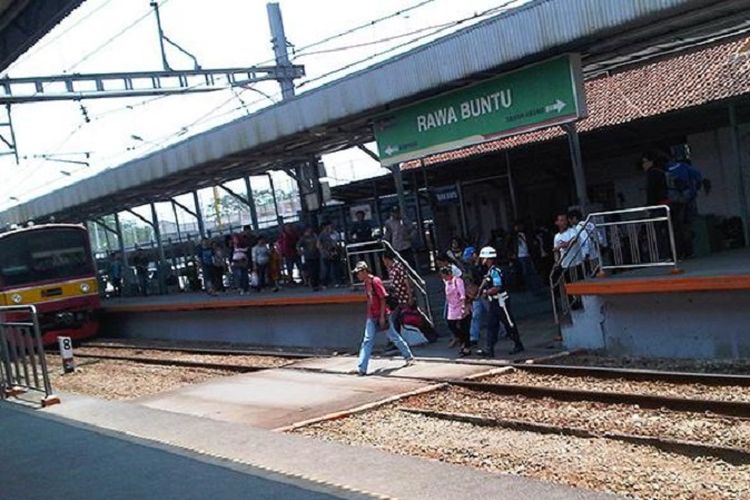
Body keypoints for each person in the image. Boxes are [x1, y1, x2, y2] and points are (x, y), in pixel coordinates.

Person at [352, 261, 414, 376]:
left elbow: (383, 299)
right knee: (367, 340)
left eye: (359, 273)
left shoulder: (375, 281)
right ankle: (362, 367)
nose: (358, 276)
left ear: (365, 271)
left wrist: (381, 317)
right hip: (372, 315)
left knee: (393, 336)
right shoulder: (366, 283)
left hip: (382, 314)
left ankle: (408, 356)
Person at [476, 246, 524, 357]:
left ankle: (518, 344)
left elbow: (497, 287)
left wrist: (486, 292)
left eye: (484, 258)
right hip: (493, 302)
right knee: (491, 325)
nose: (482, 260)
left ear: (488, 258)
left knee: (509, 323)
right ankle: (489, 349)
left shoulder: (495, 271)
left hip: (501, 302)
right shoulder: (490, 271)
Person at [440, 265, 471, 357]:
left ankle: (466, 347)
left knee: (464, 327)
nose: (444, 278)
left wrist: (463, 306)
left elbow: (462, 294)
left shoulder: (458, 281)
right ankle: (461, 340)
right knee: (451, 324)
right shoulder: (446, 282)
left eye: (445, 275)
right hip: (451, 307)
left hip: (460, 305)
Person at [507, 221, 542, 292]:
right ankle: (528, 287)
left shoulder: (526, 234)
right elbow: (508, 245)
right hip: (520, 255)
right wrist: (511, 254)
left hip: (528, 254)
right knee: (525, 272)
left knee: (532, 271)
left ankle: (535, 286)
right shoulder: (513, 236)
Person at [462, 246, 485, 346]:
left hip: (485, 292)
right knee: (475, 315)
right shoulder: (471, 268)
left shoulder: (482, 265)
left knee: (494, 313)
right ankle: (473, 337)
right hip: (477, 294)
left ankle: (505, 330)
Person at [318, 221, 341, 287]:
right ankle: (324, 283)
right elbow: (319, 244)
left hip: (334, 252)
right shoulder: (322, 234)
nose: (330, 227)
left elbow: (338, 242)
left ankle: (336, 281)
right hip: (326, 253)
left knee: (335, 268)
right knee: (326, 269)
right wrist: (323, 251)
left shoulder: (335, 233)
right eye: (328, 226)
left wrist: (337, 248)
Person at [297, 226, 321, 291]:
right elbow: (298, 245)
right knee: (311, 271)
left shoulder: (314, 236)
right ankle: (313, 284)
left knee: (317, 270)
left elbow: (318, 244)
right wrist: (300, 252)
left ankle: (317, 283)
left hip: (316, 255)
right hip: (308, 256)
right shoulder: (303, 238)